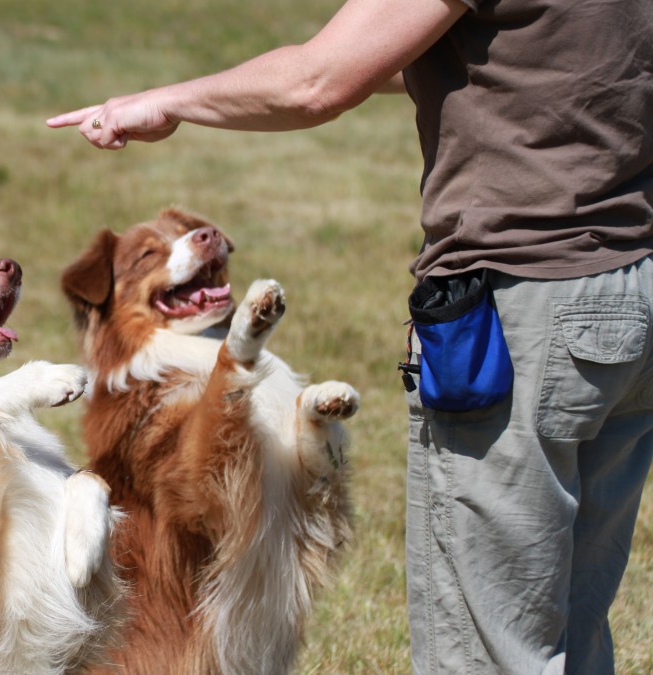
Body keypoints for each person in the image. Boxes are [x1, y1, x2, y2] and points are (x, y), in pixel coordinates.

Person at [46, 0, 653, 673]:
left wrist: (168, 101)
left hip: (518, 310)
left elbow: (318, 81)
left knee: (490, 641)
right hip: (631, 292)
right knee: (575, 619)